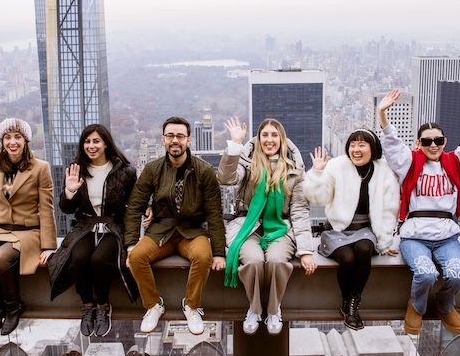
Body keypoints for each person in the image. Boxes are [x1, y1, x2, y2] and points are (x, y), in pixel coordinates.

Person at [377, 84, 460, 335]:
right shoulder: (409, 162)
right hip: (414, 235)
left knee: (458, 275)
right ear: (418, 143)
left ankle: (445, 304)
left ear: (445, 141)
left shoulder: (456, 163)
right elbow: (392, 145)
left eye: (438, 140)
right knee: (426, 273)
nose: (433, 145)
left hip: (447, 235)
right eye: (427, 141)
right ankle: (417, 307)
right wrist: (382, 114)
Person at [124, 116, 226, 335]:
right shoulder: (152, 169)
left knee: (202, 256)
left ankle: (191, 305)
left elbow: (214, 213)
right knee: (136, 257)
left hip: (192, 230)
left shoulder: (204, 171)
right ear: (163, 140)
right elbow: (134, 207)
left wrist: (219, 252)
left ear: (189, 140)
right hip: (162, 230)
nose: (175, 140)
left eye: (180, 136)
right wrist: (131, 243)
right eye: (170, 136)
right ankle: (153, 304)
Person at [218, 117, 316, 335]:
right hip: (247, 226)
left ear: (282, 140)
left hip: (280, 228)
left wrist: (306, 250)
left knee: (276, 261)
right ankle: (254, 308)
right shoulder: (247, 165)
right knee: (253, 261)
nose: (269, 140)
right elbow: (226, 178)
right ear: (258, 138)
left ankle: (273, 309)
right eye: (265, 135)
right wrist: (235, 145)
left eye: (274, 135)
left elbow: (299, 212)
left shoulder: (295, 172)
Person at [0, 118, 57, 336]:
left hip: (27, 231)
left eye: (17, 137)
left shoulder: (40, 168)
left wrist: (49, 246)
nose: (12, 142)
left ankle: (14, 307)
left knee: (0, 257)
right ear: (1, 140)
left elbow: (46, 208)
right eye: (7, 137)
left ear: (26, 140)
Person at [303, 128, 400, 330]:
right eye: (353, 145)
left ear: (372, 148)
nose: (356, 149)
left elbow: (390, 209)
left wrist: (384, 242)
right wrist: (318, 172)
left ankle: (353, 304)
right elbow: (317, 198)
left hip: (365, 229)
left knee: (364, 250)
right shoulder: (337, 166)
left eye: (362, 144)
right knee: (347, 258)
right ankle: (346, 299)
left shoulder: (383, 171)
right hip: (337, 229)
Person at [48, 124, 139, 338]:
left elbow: (134, 204)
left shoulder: (125, 171)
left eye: (96, 141)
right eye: (87, 142)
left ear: (106, 143)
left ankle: (103, 305)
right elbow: (67, 209)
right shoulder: (76, 170)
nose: (91, 146)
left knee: (99, 259)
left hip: (113, 226)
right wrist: (70, 191)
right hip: (86, 226)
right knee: (78, 258)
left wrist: (137, 231)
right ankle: (87, 305)